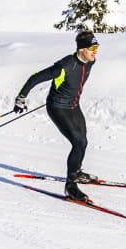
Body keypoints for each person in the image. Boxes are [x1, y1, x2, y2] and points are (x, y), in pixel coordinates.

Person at [14, 29, 100, 203]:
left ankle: (77, 171)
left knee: (83, 140)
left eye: (97, 46)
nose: (96, 51)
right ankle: (71, 187)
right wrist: (21, 97)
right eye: (93, 47)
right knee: (79, 142)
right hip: (57, 108)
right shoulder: (65, 66)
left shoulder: (90, 62)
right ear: (82, 49)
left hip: (74, 105)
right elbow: (35, 77)